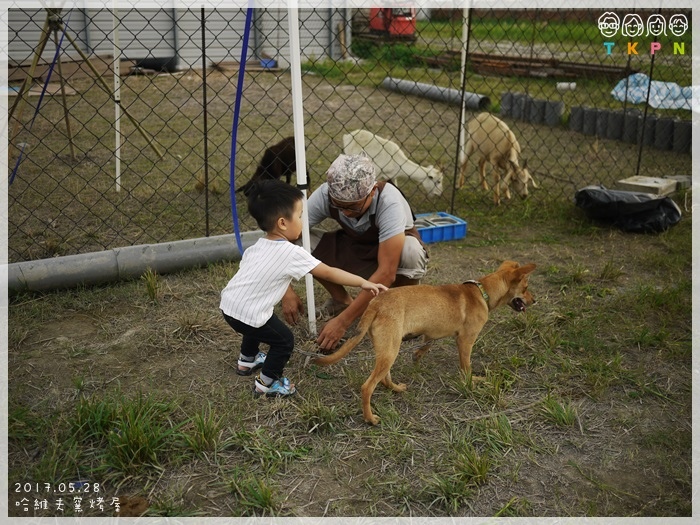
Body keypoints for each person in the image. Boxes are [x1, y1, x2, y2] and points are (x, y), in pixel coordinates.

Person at [220, 179, 387, 397]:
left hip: (229, 307)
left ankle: (247, 361)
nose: (302, 221)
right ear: (282, 223)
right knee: (284, 341)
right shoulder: (291, 253)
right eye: (299, 216)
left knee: (255, 320)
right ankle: (267, 383)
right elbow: (328, 272)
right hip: (248, 312)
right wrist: (363, 282)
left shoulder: (258, 246)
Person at [282, 153, 428, 351]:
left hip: (390, 256)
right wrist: (285, 290)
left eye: (352, 206)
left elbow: (386, 272)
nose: (345, 213)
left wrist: (343, 323)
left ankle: (408, 312)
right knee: (301, 242)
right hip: (355, 245)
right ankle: (341, 301)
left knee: (411, 250)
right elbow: (282, 234)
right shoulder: (327, 193)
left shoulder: (389, 200)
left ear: (373, 191)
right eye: (338, 206)